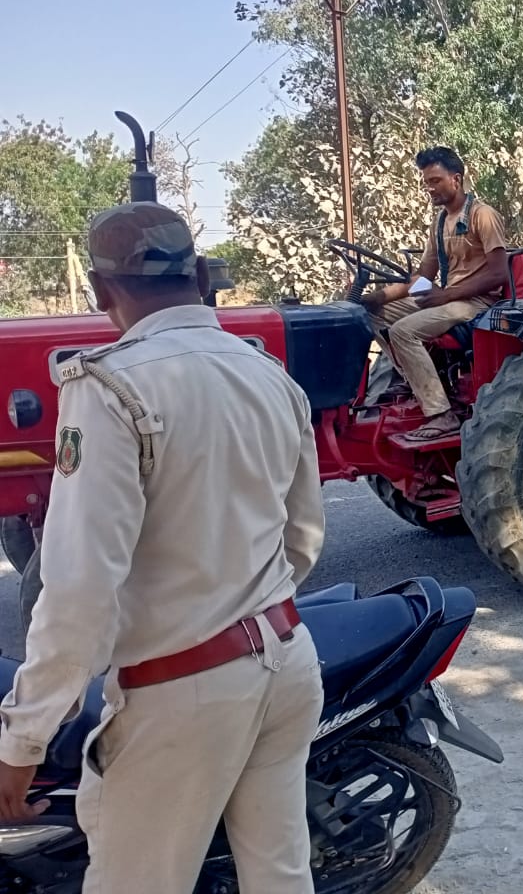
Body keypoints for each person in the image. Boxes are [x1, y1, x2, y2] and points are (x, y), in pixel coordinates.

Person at [0, 202, 327, 892]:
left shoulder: (110, 388)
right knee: (280, 877)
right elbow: (302, 539)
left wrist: (24, 737)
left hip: (182, 692)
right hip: (287, 662)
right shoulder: (269, 374)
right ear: (203, 274)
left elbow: (79, 587)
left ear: (98, 289)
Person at [361, 146, 510, 441]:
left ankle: (442, 414)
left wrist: (445, 295)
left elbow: (499, 273)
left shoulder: (483, 215)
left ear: (456, 179)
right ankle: (416, 382)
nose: (429, 188)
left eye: (435, 181)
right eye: (426, 182)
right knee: (372, 315)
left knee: (404, 331)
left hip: (477, 303)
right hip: (450, 298)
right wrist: (381, 297)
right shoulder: (440, 222)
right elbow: (423, 278)